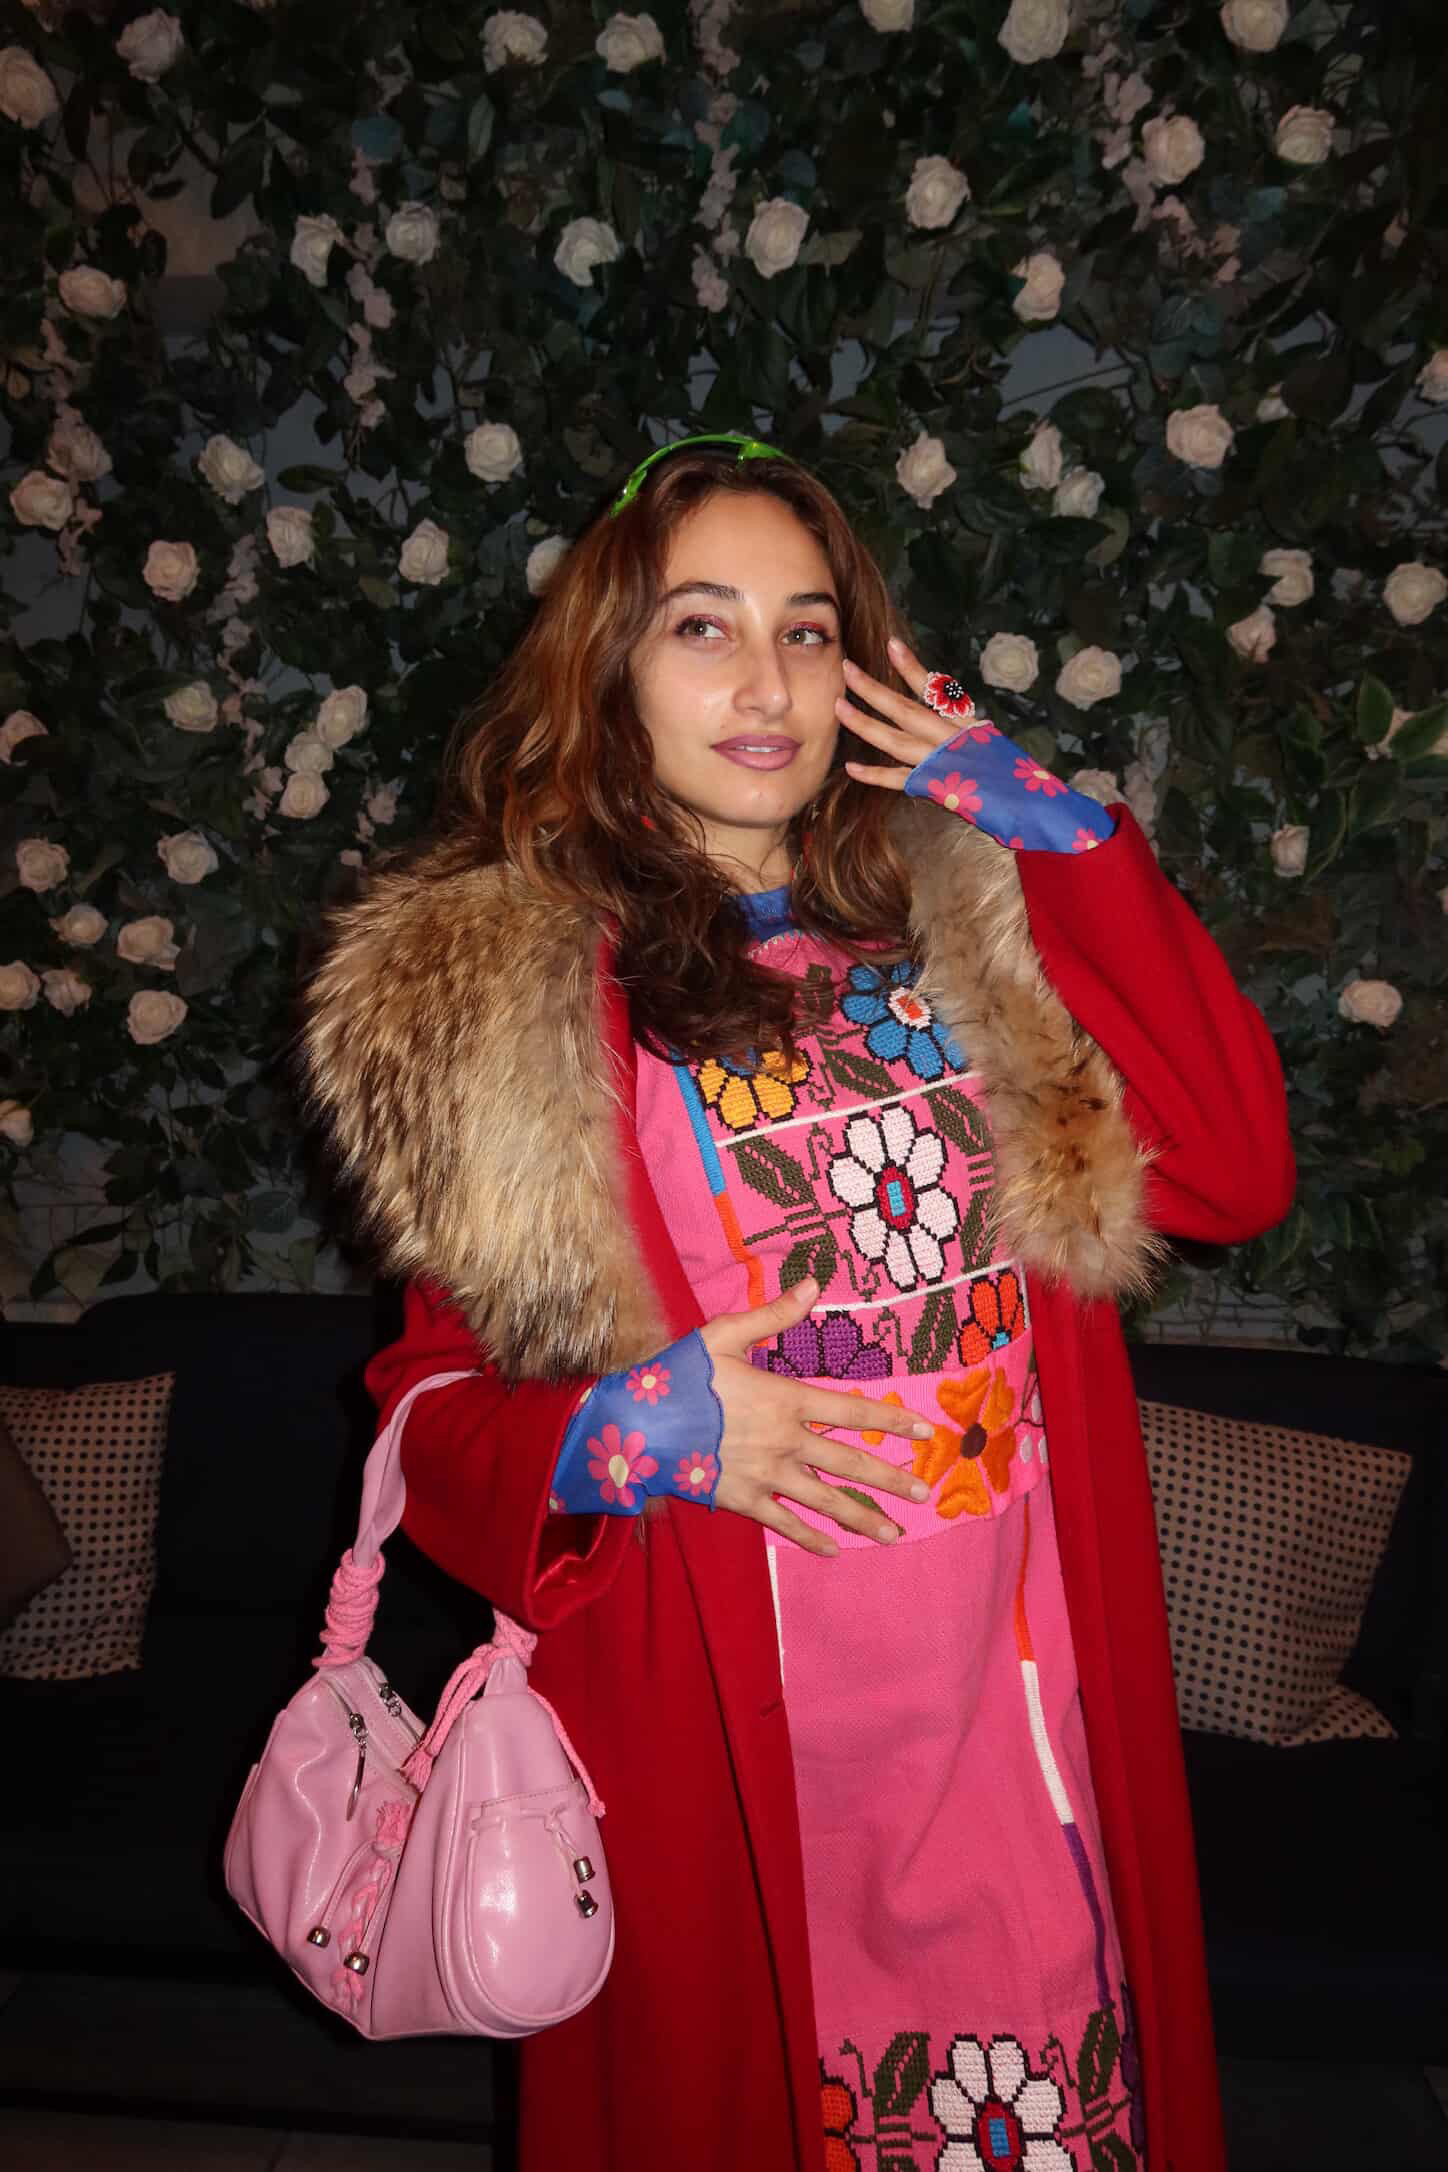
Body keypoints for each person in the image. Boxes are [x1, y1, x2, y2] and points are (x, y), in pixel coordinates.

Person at [303, 434, 1294, 2172]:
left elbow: (1230, 1170)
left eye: (809, 631)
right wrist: (620, 1436)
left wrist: (1072, 847)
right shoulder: (506, 1006)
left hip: (1022, 1720)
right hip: (732, 1741)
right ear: (609, 670)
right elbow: (429, 1409)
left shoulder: (968, 935)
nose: (766, 684)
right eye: (702, 626)